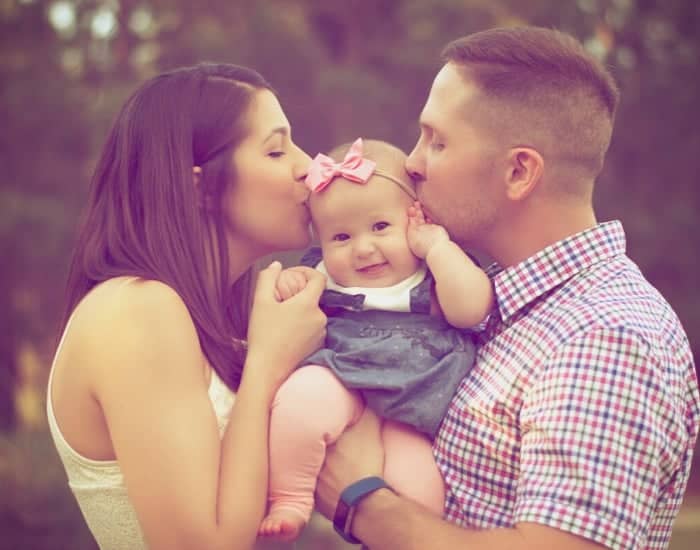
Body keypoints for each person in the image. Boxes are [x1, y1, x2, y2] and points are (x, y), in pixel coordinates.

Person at [314, 26, 700, 550]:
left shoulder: (606, 336)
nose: (412, 162)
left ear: (519, 171)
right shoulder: (490, 298)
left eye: (438, 140)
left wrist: (364, 502)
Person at [46, 63, 328, 550]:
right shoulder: (137, 309)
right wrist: (265, 364)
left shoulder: (208, 318)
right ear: (199, 186)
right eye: (277, 150)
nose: (308, 165)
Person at [257, 138, 494, 541]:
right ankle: (291, 498)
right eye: (341, 238)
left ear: (417, 218)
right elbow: (295, 312)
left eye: (381, 227)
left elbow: (472, 310)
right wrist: (291, 284)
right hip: (344, 376)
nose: (363, 249)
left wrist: (437, 247)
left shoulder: (435, 267)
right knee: (298, 405)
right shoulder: (323, 274)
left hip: (415, 409)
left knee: (421, 495)